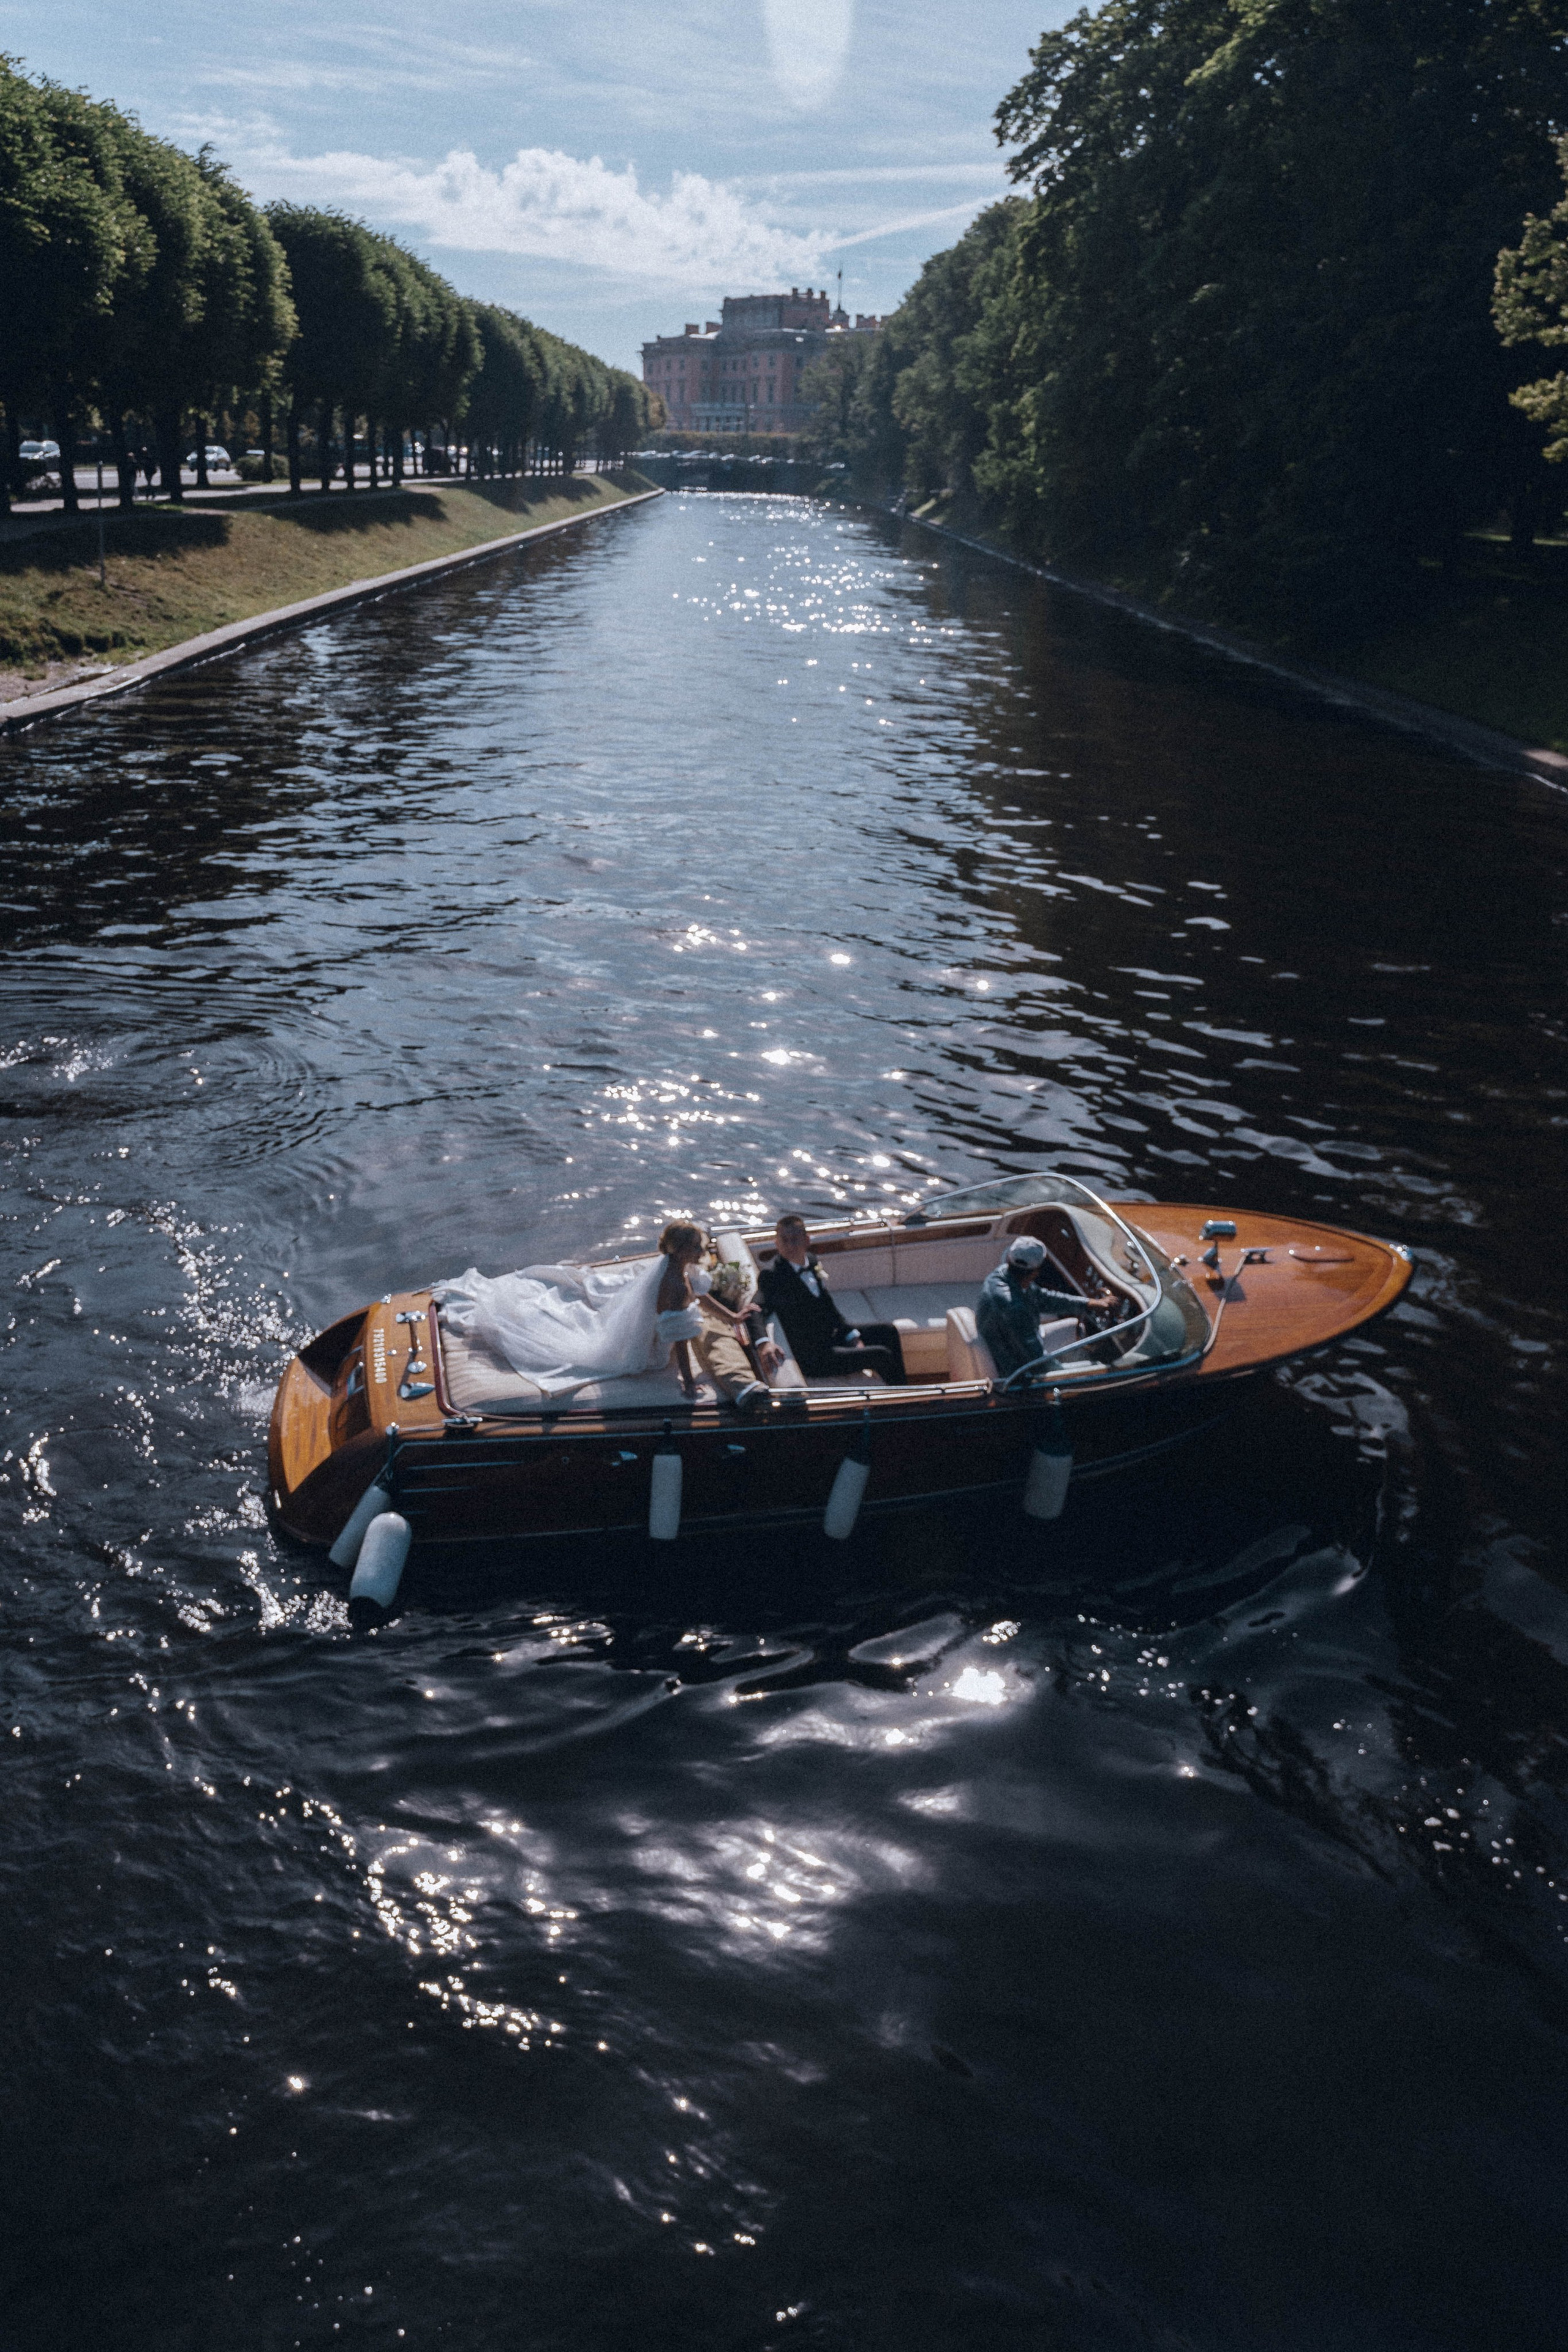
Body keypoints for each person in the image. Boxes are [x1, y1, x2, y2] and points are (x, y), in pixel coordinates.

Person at [756, 1214, 907, 1385]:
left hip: (830, 1338)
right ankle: (900, 1400)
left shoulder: (811, 1261)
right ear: (777, 1244)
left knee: (888, 1331)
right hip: (815, 1357)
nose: (790, 1245)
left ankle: (905, 1390)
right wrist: (764, 1343)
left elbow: (827, 1305)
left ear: (807, 1241)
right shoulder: (772, 1275)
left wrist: (851, 1335)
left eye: (795, 1240)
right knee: (881, 1355)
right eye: (785, 1240)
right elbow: (757, 1309)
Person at [656, 1221, 783, 1411]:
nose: (702, 1252)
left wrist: (734, 1317)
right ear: (682, 1251)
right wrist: (689, 1382)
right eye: (697, 1247)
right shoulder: (676, 1286)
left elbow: (701, 1296)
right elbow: (680, 1339)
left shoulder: (681, 1266)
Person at [976, 1235, 1115, 1382]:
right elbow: (1037, 1362)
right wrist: (1077, 1373)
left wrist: (1088, 1303)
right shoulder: (1015, 1309)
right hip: (1014, 1369)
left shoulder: (1002, 1275)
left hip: (1010, 1342)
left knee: (1073, 1327)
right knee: (1098, 1370)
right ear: (1035, 1272)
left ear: (1010, 1260)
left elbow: (1043, 1298)